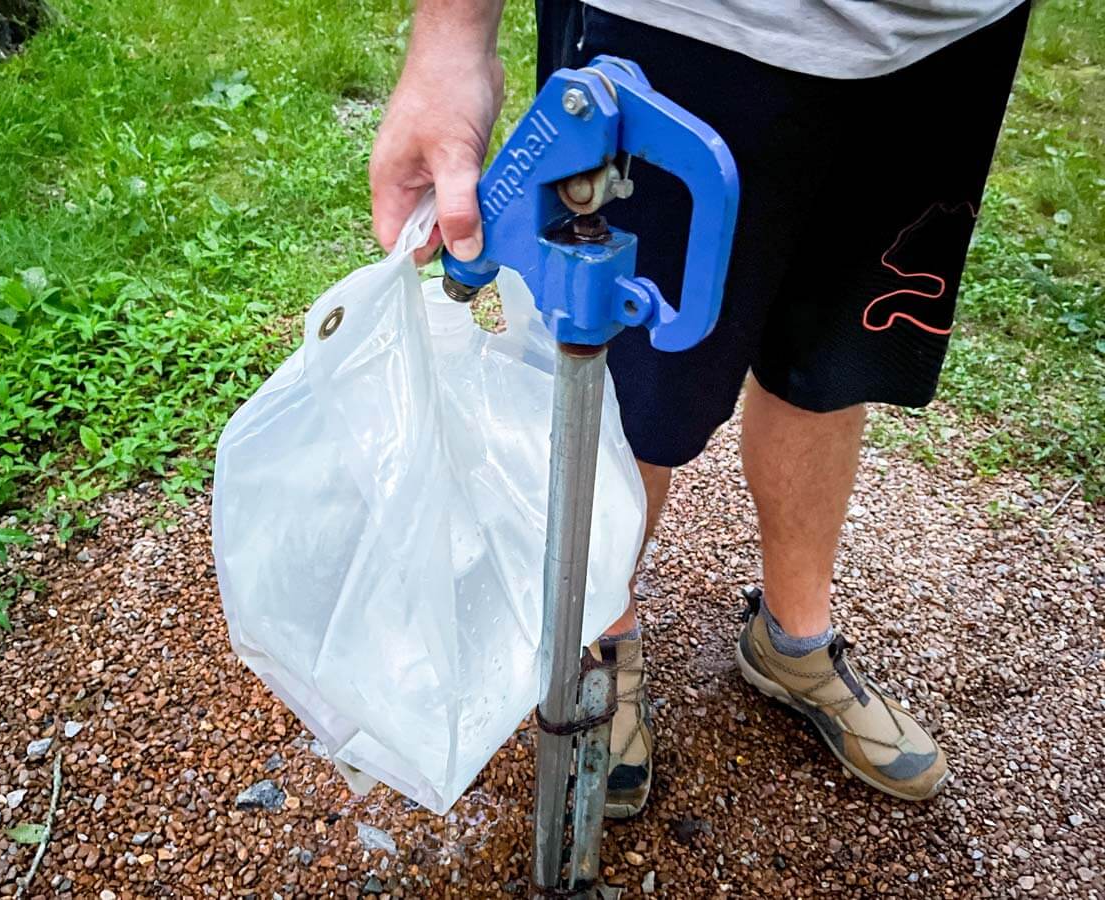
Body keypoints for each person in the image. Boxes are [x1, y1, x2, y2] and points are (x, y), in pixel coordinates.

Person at [370, 0, 1032, 817]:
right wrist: (451, 40)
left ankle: (794, 642)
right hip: (691, 31)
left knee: (830, 362)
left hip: (943, 38)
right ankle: (598, 646)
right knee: (627, 395)